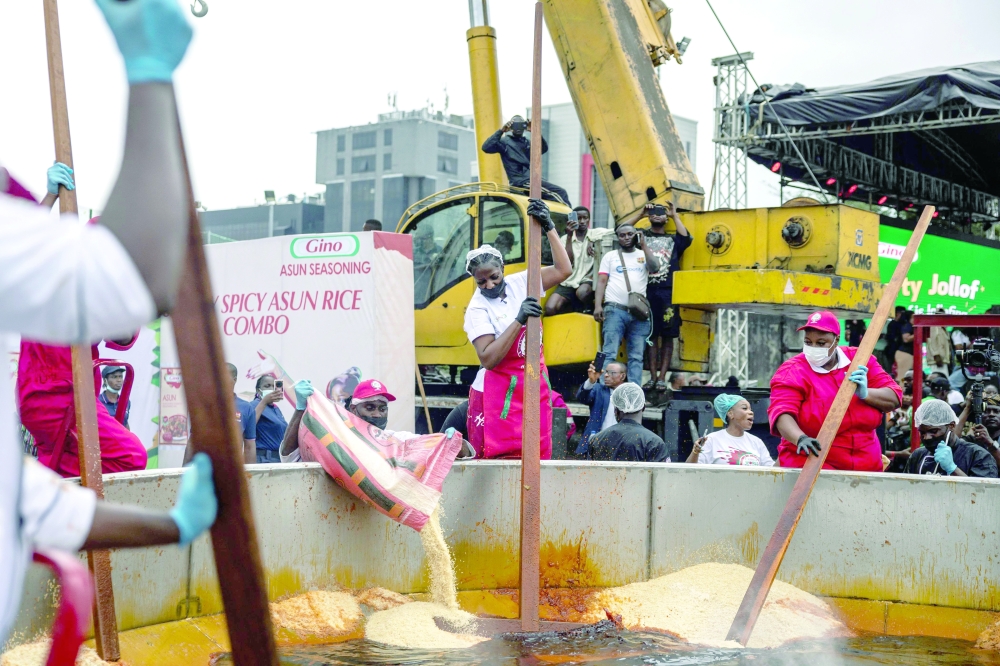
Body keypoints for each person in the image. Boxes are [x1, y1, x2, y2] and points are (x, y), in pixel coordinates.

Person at [1, 0, 222, 648]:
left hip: (70, 386)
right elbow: (126, 274)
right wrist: (149, 77)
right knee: (112, 454)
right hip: (48, 391)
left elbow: (29, 504)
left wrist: (175, 526)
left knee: (117, 455)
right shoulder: (63, 261)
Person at [463, 199, 572, 459]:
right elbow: (488, 358)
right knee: (499, 458)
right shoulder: (476, 309)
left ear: (503, 270)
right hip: (497, 394)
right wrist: (519, 319)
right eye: (482, 282)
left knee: (536, 455)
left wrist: (548, 227)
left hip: (533, 385)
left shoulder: (521, 281)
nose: (489, 285)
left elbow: (563, 269)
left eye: (494, 277)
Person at [768, 311, 901, 471]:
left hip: (865, 462)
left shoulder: (860, 360)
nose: (813, 348)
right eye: (808, 342)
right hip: (814, 460)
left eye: (821, 343)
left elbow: (894, 397)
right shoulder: (792, 371)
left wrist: (866, 394)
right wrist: (800, 438)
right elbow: (782, 413)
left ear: (836, 340)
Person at [631, 203, 692, 390]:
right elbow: (622, 230)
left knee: (668, 336)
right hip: (646, 290)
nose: (657, 215)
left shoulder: (672, 239)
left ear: (666, 218)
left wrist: (675, 216)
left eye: (661, 213)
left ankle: (662, 378)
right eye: (653, 212)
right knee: (651, 335)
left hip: (668, 292)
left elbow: (686, 238)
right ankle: (652, 376)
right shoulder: (641, 236)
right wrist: (641, 213)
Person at [593, 224, 660, 384]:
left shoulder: (643, 255)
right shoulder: (610, 256)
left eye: (630, 234)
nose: (626, 237)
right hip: (614, 309)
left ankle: (634, 394)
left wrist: (644, 245)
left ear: (636, 235)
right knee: (609, 352)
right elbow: (601, 281)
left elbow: (655, 267)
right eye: (622, 235)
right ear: (618, 237)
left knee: (636, 357)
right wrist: (598, 305)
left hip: (639, 313)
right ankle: (602, 389)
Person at [481, 116, 570, 206]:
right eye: (515, 125)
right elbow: (486, 147)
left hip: (530, 179)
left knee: (549, 201)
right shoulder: (505, 142)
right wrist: (501, 131)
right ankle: (570, 218)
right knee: (560, 193)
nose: (518, 129)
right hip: (521, 182)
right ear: (511, 127)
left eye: (521, 125)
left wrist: (534, 131)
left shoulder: (526, 142)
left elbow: (542, 149)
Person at [905, 399, 997, 477]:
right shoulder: (918, 456)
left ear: (951, 426)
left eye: (933, 431)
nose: (927, 437)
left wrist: (952, 468)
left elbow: (982, 492)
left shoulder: (978, 456)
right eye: (922, 432)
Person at [587, 383, 667, 462]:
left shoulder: (596, 439)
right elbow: (663, 473)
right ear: (643, 407)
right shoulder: (654, 442)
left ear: (616, 410)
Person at [687, 394, 774, 466]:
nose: (751, 412)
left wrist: (785, 448)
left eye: (750, 409)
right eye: (744, 408)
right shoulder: (712, 440)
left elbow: (772, 471)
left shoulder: (757, 442)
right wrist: (695, 452)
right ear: (730, 413)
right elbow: (690, 471)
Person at [545, 206, 602, 315]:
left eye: (585, 218)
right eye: (579, 218)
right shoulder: (564, 239)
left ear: (589, 220)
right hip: (568, 281)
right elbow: (568, 263)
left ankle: (588, 309)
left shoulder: (595, 234)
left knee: (582, 293)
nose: (582, 221)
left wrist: (593, 240)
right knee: (550, 308)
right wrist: (570, 236)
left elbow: (618, 230)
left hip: (586, 280)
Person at [575, 361, 627, 456]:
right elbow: (582, 398)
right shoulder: (599, 390)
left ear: (622, 376)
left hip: (619, 446)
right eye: (606, 372)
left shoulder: (628, 395)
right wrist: (591, 381)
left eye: (612, 373)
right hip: (596, 444)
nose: (606, 375)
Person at [251, 375, 287, 463]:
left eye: (274, 387)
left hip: (279, 459)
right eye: (267, 386)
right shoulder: (254, 405)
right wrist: (264, 402)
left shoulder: (275, 409)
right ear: (258, 390)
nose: (271, 389)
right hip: (264, 459)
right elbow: (249, 426)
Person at [228, 363, 257, 464]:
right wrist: (182, 473)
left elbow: (249, 446)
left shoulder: (246, 408)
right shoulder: (205, 405)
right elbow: (192, 443)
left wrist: (252, 476)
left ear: (234, 380)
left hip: (232, 469)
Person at [98, 365, 131, 430]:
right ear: (105, 380)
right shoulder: (98, 402)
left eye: (120, 376)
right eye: (114, 377)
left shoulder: (126, 401)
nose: (119, 380)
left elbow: (125, 423)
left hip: (121, 438)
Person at [895, 310, 915, 382]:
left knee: (907, 376)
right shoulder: (907, 326)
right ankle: (901, 391)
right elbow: (906, 339)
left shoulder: (911, 327)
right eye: (913, 317)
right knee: (903, 376)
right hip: (905, 353)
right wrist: (918, 333)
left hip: (908, 354)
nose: (915, 319)